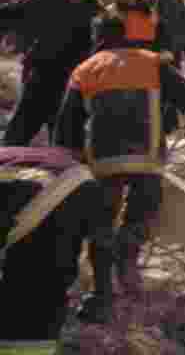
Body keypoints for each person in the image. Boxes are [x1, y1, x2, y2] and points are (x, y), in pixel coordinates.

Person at [53, 12, 185, 299]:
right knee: (141, 211)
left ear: (97, 39)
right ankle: (128, 253)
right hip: (147, 158)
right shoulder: (153, 63)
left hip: (103, 160)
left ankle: (102, 292)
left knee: (102, 221)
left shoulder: (85, 69)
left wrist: (68, 163)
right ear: (128, 35)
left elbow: (67, 125)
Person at [0, 145, 114, 338]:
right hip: (77, 187)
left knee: (30, 297)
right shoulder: (82, 175)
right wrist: (102, 293)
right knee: (43, 295)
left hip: (45, 197)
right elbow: (102, 242)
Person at [0, 0, 105, 145]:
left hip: (70, 89)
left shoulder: (97, 14)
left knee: (64, 147)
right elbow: (15, 12)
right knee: (14, 139)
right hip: (40, 81)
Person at [107, 0, 173, 59]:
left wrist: (165, 52)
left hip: (145, 63)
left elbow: (161, 40)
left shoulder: (149, 13)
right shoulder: (109, 13)